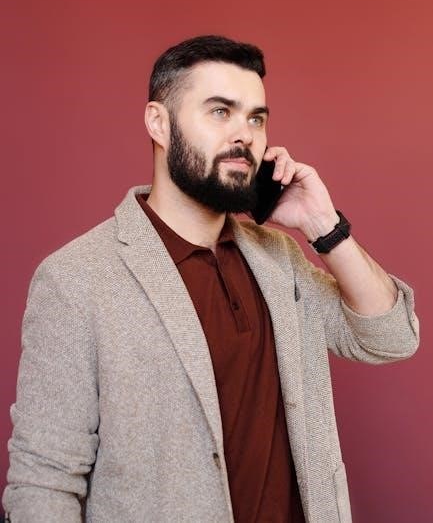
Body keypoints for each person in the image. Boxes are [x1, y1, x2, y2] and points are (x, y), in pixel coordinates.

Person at [3, 35, 419, 523]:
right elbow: (43, 483)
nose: (244, 134)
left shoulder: (278, 258)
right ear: (159, 123)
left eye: (256, 118)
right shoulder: (76, 280)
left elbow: (392, 338)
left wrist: (323, 226)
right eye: (221, 112)